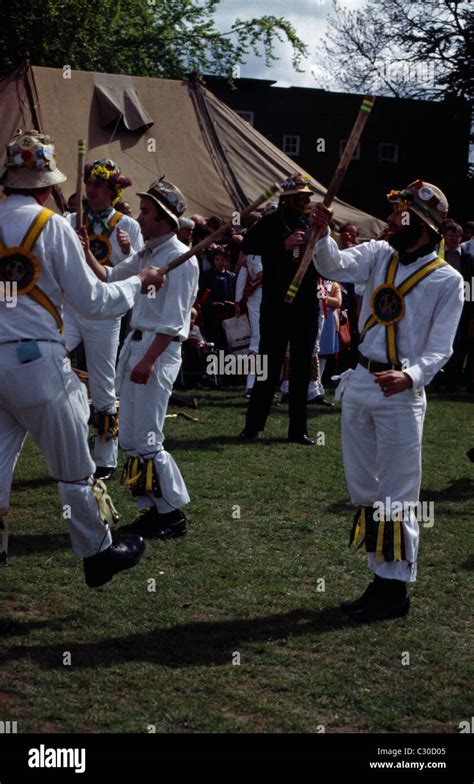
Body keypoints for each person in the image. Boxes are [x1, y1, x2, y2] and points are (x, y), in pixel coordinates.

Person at [0, 129, 164, 587]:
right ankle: (97, 553)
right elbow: (93, 300)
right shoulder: (50, 225)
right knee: (74, 471)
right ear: (47, 182)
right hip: (36, 363)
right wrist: (139, 282)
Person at [312, 179, 464, 621]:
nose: (392, 219)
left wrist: (412, 375)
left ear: (421, 223)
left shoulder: (447, 280)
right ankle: (381, 578)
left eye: (401, 213)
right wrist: (322, 233)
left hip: (400, 393)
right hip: (360, 380)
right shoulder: (380, 255)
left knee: (397, 491)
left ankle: (393, 590)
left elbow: (441, 348)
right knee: (365, 487)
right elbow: (333, 266)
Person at [83, 178, 199, 540]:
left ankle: (171, 516)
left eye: (146, 212)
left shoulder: (181, 260)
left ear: (164, 218)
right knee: (131, 437)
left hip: (157, 352)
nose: (141, 218)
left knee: (148, 437)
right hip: (135, 346)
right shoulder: (147, 254)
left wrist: (147, 361)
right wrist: (85, 249)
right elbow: (110, 277)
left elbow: (175, 321)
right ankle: (149, 510)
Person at [64, 159, 143, 480]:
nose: (91, 190)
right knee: (49, 357)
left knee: (103, 384)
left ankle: (105, 457)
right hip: (70, 309)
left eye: (98, 185)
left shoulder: (129, 226)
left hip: (106, 314)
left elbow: (138, 273)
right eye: (89, 184)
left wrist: (126, 252)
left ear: (112, 191)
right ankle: (64, 428)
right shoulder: (70, 220)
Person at [239, 174, 320, 445]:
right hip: (275, 304)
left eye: (306, 199)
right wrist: (281, 246)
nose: (304, 203)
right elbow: (246, 244)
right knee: (268, 365)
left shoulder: (314, 225)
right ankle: (253, 426)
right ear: (286, 200)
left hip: (305, 305)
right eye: (299, 199)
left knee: (300, 367)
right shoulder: (271, 223)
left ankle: (298, 430)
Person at [235, 252, 263, 394]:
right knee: (257, 342)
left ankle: (261, 383)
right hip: (257, 300)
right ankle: (251, 384)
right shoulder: (254, 255)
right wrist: (238, 300)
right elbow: (260, 275)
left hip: (273, 300)